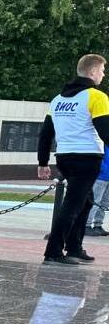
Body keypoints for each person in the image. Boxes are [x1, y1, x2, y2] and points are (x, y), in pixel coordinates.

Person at [38, 53, 109, 265]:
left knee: (85, 201)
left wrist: (42, 162)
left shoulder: (58, 100)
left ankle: (75, 248)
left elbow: (46, 133)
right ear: (93, 72)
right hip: (86, 158)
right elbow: (106, 132)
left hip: (65, 157)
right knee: (73, 205)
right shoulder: (96, 97)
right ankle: (53, 251)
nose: (103, 75)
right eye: (103, 70)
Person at [84, 146, 109, 237]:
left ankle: (98, 225)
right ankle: (86, 225)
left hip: (107, 177)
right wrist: (104, 170)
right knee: (95, 201)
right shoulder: (102, 142)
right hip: (101, 177)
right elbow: (97, 157)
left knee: (104, 203)